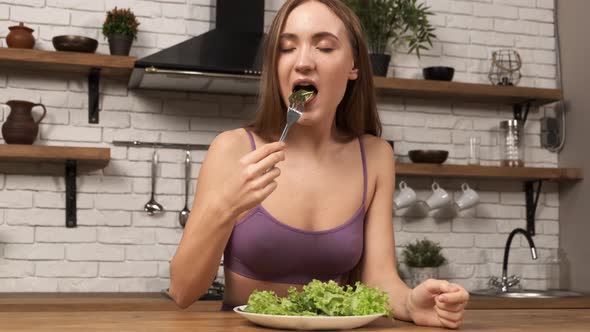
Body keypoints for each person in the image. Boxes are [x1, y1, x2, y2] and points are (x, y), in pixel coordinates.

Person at [169, 0, 469, 328]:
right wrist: (224, 206)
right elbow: (183, 291)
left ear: (354, 65)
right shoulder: (232, 149)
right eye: (286, 48)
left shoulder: (375, 155)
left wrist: (412, 305)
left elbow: (380, 280)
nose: (303, 62)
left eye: (324, 47)